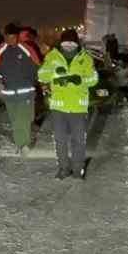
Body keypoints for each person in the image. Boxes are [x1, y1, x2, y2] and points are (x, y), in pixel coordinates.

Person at [38, 28, 98, 179]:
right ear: (61, 43)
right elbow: (41, 75)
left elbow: (94, 79)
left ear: (77, 43)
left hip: (78, 107)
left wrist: (80, 80)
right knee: (60, 140)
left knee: (79, 140)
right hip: (59, 107)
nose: (69, 45)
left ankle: (78, 170)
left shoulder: (86, 58)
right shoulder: (52, 57)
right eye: (66, 42)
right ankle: (63, 169)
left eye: (72, 42)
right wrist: (54, 75)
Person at [0, 23, 41, 154]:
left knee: (22, 119)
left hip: (26, 91)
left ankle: (22, 145)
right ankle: (23, 141)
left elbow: (37, 67)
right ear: (5, 36)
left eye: (14, 37)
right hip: (8, 93)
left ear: (17, 36)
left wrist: (33, 82)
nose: (11, 40)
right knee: (15, 120)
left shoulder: (27, 49)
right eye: (8, 37)